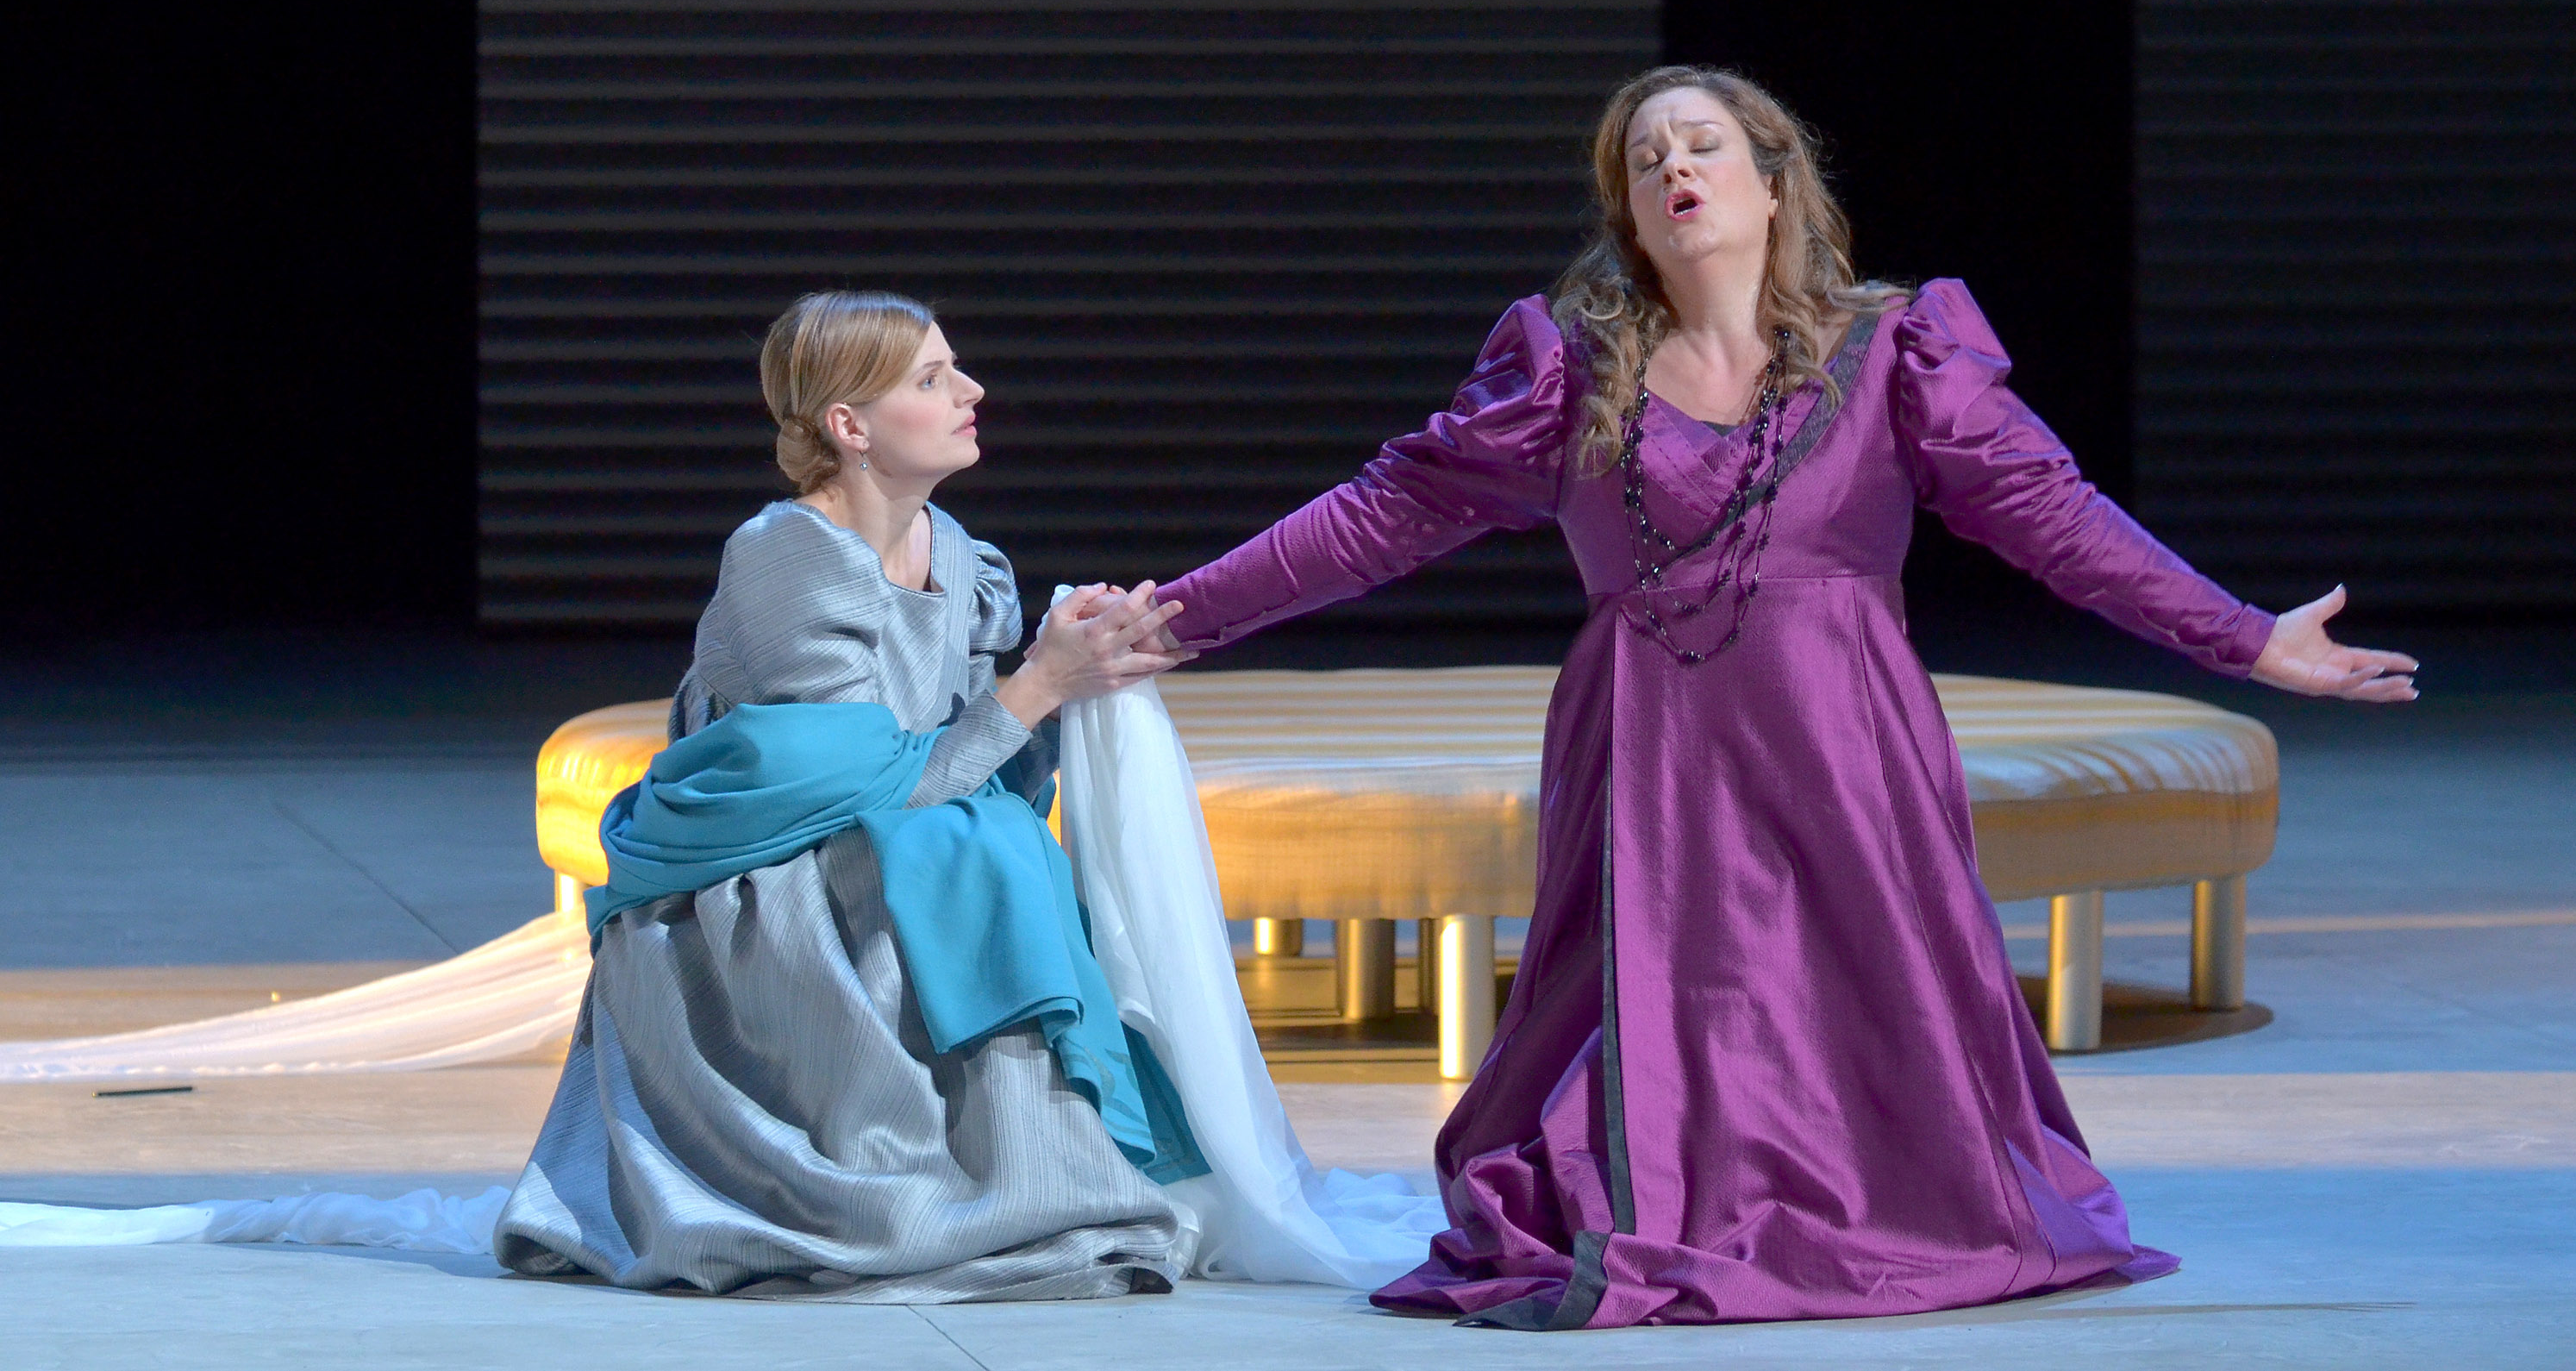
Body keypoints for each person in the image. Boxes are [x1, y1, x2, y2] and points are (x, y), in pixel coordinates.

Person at [1156, 66, 2417, 1329]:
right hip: (1648, 740)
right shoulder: (1568, 371)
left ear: (1772, 184)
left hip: (1840, 727)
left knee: (1861, 984)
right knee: (1658, 998)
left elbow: (2054, 516)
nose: (1672, 168)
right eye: (1643, 160)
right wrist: (1180, 616)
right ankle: (1670, 1203)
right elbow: (1382, 513)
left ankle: (1883, 1204)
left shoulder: (1893, 353)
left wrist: (2243, 637)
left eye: (1700, 145)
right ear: (1628, 213)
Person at [496, 290, 1203, 1303]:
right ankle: (909, 1185)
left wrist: (1076, 673)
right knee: (974, 848)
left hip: (886, 853)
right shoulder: (787, 555)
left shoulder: (953, 552)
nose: (971, 391)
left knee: (987, 837)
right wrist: (1039, 682)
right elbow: (854, 785)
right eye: (932, 378)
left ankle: (1031, 1176)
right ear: (849, 425)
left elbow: (973, 762)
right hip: (757, 882)